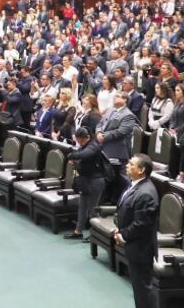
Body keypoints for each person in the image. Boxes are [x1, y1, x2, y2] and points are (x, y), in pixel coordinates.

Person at [113, 154, 160, 308]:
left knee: (143, 290)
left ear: (141, 170)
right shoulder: (134, 184)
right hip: (134, 246)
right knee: (139, 289)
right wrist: (119, 228)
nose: (127, 165)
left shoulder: (146, 193)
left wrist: (123, 235)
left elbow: (142, 224)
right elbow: (126, 209)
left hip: (141, 248)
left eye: (131, 164)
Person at [64, 127, 107, 239]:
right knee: (82, 207)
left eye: (79, 140)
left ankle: (95, 234)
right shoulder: (84, 145)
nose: (78, 142)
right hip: (86, 180)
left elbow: (84, 155)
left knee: (93, 210)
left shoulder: (93, 146)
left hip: (96, 181)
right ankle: (78, 231)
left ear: (85, 138)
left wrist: (71, 156)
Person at [97, 91, 138, 203]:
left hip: (117, 151)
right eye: (115, 96)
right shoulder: (110, 110)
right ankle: (104, 200)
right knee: (105, 176)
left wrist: (104, 136)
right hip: (104, 148)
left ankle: (120, 201)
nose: (115, 98)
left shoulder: (128, 115)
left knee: (120, 179)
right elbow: (100, 124)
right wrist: (99, 133)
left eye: (118, 97)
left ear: (125, 100)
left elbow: (121, 131)